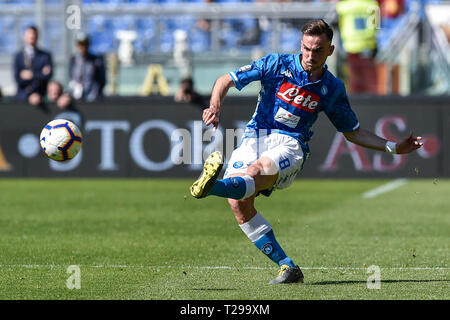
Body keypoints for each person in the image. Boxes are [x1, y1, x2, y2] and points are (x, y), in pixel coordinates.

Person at [189, 19, 423, 284]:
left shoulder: (332, 88)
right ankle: (288, 267)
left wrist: (392, 147)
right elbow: (225, 80)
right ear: (301, 44)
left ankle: (210, 187)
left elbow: (353, 132)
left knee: (254, 174)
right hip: (255, 135)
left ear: (330, 51)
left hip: (291, 144)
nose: (310, 55)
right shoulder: (276, 64)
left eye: (318, 50)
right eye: (306, 48)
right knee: (239, 203)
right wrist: (215, 108)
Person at [336, 0, 380, 94]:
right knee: (370, 81)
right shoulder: (372, 4)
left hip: (351, 46)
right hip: (368, 45)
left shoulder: (343, 6)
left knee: (354, 81)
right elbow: (377, 25)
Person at [13, 25, 53, 107]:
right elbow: (18, 78)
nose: (32, 36)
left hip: (41, 96)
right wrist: (40, 73)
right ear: (24, 37)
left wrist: (32, 74)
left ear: (37, 36)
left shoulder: (45, 56)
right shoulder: (18, 56)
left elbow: (47, 76)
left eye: (34, 34)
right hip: (22, 97)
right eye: (29, 34)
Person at [69, 32, 106, 102]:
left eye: (85, 44)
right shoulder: (73, 60)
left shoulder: (96, 61)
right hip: (77, 95)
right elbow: (71, 77)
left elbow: (102, 80)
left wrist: (97, 92)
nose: (83, 47)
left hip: (93, 96)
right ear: (77, 45)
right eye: (80, 45)